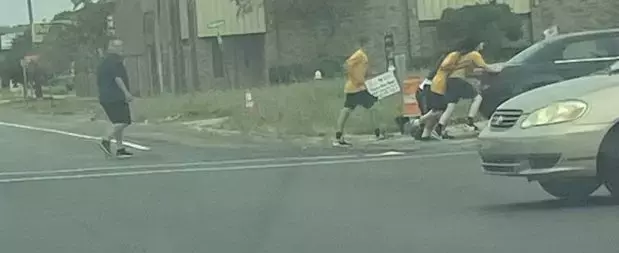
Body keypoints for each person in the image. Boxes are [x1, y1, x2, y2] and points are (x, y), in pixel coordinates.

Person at [435, 41, 498, 139]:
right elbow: (485, 66)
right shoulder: (474, 54)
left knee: (451, 105)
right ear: (476, 45)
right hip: (458, 80)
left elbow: (469, 72)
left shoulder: (462, 55)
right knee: (478, 97)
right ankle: (470, 121)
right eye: (481, 43)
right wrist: (496, 71)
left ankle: (439, 127)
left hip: (450, 80)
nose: (483, 45)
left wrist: (478, 73)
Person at [334, 37, 383, 147]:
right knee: (373, 107)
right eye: (370, 45)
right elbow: (347, 65)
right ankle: (378, 133)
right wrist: (355, 79)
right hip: (356, 88)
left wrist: (369, 75)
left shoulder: (363, 56)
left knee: (347, 110)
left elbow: (361, 70)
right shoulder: (359, 54)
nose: (372, 47)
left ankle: (339, 135)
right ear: (365, 45)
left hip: (358, 88)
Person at [97, 39, 134, 158]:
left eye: (122, 46)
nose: (121, 49)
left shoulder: (104, 62)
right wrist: (126, 93)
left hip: (106, 96)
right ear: (112, 48)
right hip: (115, 96)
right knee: (124, 121)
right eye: (119, 47)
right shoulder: (115, 61)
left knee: (117, 122)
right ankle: (106, 140)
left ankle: (120, 148)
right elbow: (117, 78)